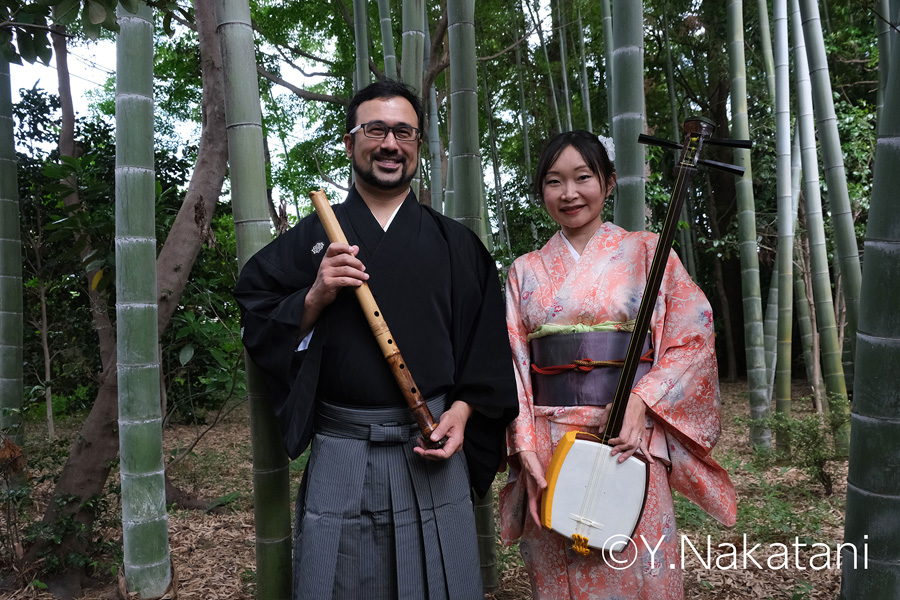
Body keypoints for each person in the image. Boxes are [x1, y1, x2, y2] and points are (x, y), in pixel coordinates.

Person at [234, 79, 518, 600]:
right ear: (350, 142)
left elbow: (486, 350)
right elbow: (259, 309)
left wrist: (463, 413)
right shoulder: (314, 239)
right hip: (344, 447)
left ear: (418, 145)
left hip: (432, 440)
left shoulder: (457, 245)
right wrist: (316, 293)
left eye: (404, 132)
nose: (390, 143)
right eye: (376, 129)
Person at [499, 130, 737, 599]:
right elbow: (513, 364)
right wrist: (525, 448)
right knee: (557, 568)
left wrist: (641, 399)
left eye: (582, 177)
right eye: (554, 181)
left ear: (608, 183)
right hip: (552, 444)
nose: (569, 193)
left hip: (631, 439)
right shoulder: (525, 270)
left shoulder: (649, 252)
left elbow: (692, 334)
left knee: (639, 566)